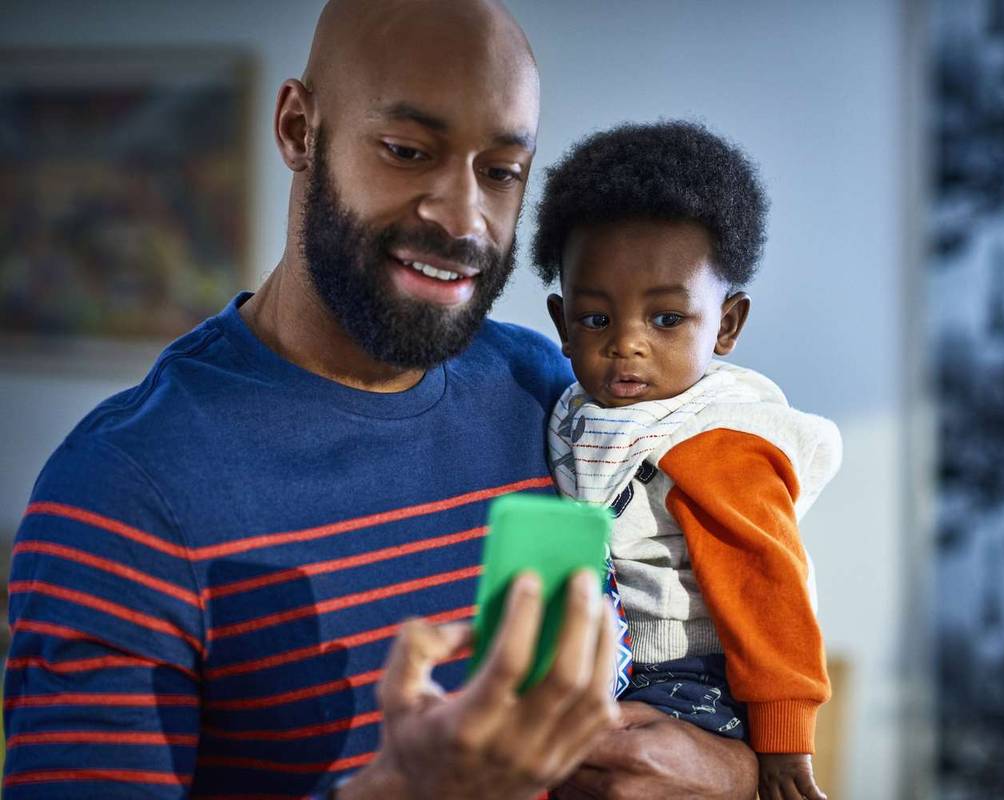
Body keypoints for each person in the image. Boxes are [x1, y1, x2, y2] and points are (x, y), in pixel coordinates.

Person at [2, 2, 759, 798]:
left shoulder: (551, 396)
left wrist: (732, 773)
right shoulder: (122, 489)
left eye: (500, 171)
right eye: (406, 151)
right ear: (299, 129)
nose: (463, 217)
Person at [534, 121, 842, 800]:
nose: (627, 346)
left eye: (666, 319)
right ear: (560, 323)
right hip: (597, 664)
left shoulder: (718, 440)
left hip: (688, 679)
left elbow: (768, 585)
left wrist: (783, 742)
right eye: (595, 320)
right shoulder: (570, 413)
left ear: (726, 325)